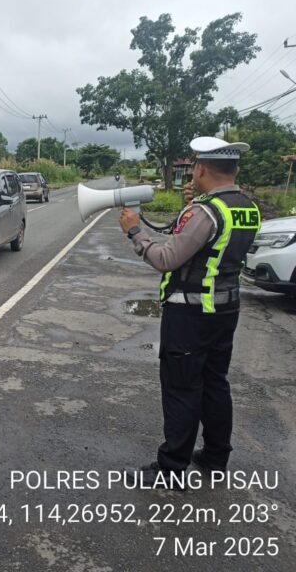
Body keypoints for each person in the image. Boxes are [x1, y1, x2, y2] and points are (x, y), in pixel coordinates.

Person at [119, 137, 261, 489]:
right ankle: (215, 457)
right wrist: (194, 206)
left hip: (191, 313)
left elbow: (167, 259)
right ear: (234, 170)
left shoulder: (205, 212)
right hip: (226, 309)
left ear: (199, 168)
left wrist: (135, 232)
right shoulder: (245, 206)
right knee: (215, 383)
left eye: (195, 168)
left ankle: (171, 469)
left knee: (182, 387)